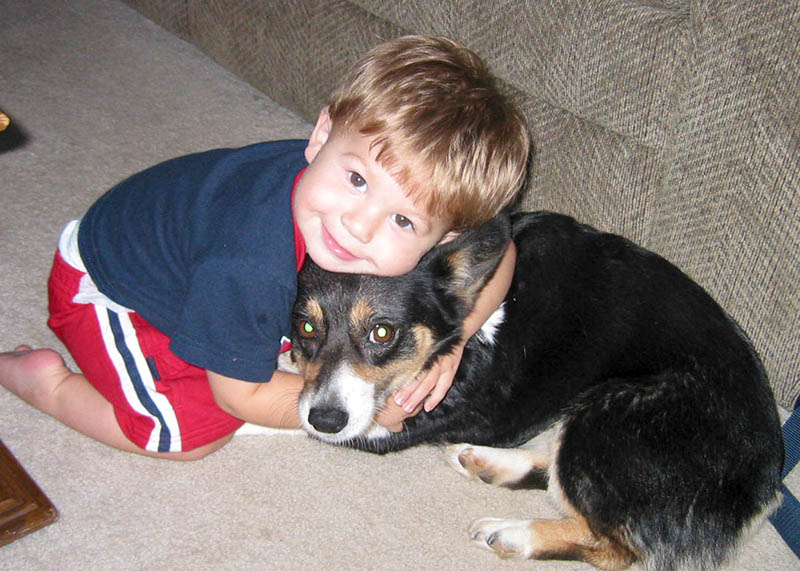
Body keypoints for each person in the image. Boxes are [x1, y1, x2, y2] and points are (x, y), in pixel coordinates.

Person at [0, 35, 530, 460]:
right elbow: (241, 396)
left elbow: (500, 249)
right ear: (321, 136)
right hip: (112, 285)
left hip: (195, 255)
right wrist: (376, 411)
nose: (357, 225)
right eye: (357, 180)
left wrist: (453, 342)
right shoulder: (249, 265)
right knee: (188, 435)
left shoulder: (330, 194)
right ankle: (46, 384)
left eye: (402, 219)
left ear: (446, 236)